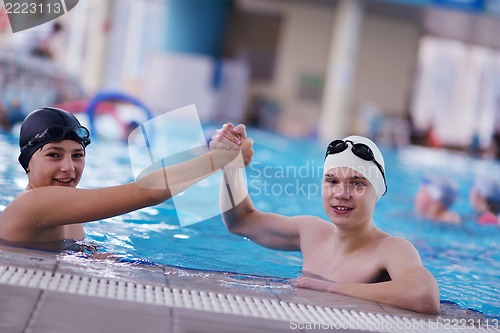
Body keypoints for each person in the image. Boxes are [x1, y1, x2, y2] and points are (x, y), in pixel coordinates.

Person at [210, 123, 440, 314]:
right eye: (332, 181)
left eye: (357, 183)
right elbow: (241, 222)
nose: (341, 193)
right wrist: (231, 166)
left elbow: (424, 295)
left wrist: (334, 288)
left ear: (376, 193)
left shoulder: (391, 249)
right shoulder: (311, 232)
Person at [0, 107, 251, 249]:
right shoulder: (32, 204)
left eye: (77, 155)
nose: (69, 167)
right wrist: (220, 159)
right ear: (27, 163)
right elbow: (148, 192)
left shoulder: (68, 215)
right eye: (54, 155)